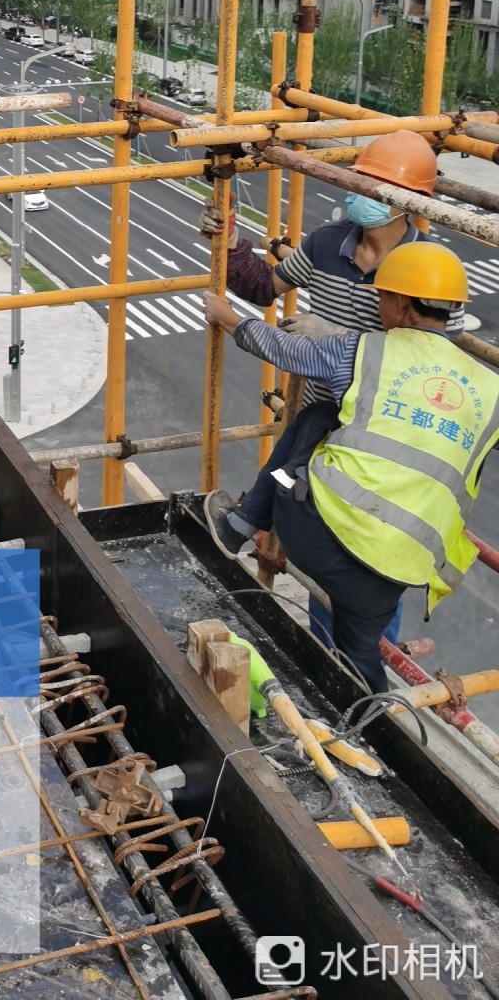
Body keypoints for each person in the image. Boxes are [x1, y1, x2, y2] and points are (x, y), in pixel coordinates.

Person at [202, 241, 499, 696]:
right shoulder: (491, 388)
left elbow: (287, 352)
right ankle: (375, 734)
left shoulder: (365, 351)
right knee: (360, 658)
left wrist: (228, 318)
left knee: (319, 417)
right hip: (400, 571)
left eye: (381, 297)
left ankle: (240, 525)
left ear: (400, 303)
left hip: (318, 535)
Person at [199, 128, 449, 647]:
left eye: (376, 186)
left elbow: (434, 357)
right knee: (324, 571)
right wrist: (228, 244)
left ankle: (362, 683)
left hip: (381, 440)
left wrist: (335, 336)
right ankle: (330, 669)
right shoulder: (327, 244)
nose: (359, 192)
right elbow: (263, 287)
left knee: (367, 567)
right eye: (359, 179)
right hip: (321, 431)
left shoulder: (428, 269)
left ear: (408, 204)